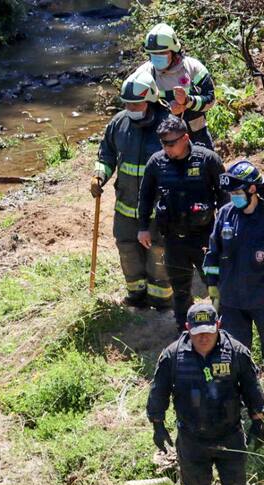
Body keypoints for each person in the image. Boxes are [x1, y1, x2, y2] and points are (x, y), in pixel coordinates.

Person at [147, 303, 264, 485]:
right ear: (188, 328)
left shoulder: (236, 352)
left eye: (209, 331)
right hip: (192, 440)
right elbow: (159, 391)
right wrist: (157, 424)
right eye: (197, 331)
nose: (203, 337)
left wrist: (258, 421)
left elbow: (252, 389)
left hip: (229, 436)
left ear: (218, 326)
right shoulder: (172, 355)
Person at [93, 71, 173, 308]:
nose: (130, 107)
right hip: (126, 207)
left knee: (159, 253)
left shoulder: (168, 125)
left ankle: (161, 303)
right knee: (128, 250)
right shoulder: (119, 123)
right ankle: (136, 297)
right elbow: (106, 153)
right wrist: (99, 175)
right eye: (126, 103)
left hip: (159, 211)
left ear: (150, 100)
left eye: (135, 103)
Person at [137, 116, 226, 331]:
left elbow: (224, 195)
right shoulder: (156, 163)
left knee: (215, 283)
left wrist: (224, 229)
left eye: (171, 143)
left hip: (205, 237)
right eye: (163, 143)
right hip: (173, 239)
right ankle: (185, 329)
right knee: (180, 288)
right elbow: (146, 196)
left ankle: (224, 325)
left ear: (185, 138)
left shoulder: (207, 160)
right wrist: (142, 228)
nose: (166, 148)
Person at [204, 160, 264, 402]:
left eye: (238, 193)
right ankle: (243, 396)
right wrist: (213, 286)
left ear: (252, 190)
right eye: (231, 194)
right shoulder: (226, 214)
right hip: (231, 300)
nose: (234, 198)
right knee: (234, 350)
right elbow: (213, 252)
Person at [135, 23, 216, 149]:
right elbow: (136, 109)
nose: (157, 57)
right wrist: (168, 112)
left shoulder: (193, 68)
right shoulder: (143, 75)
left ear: (174, 51)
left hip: (197, 136)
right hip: (162, 141)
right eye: (153, 54)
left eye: (162, 52)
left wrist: (187, 101)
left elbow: (210, 100)